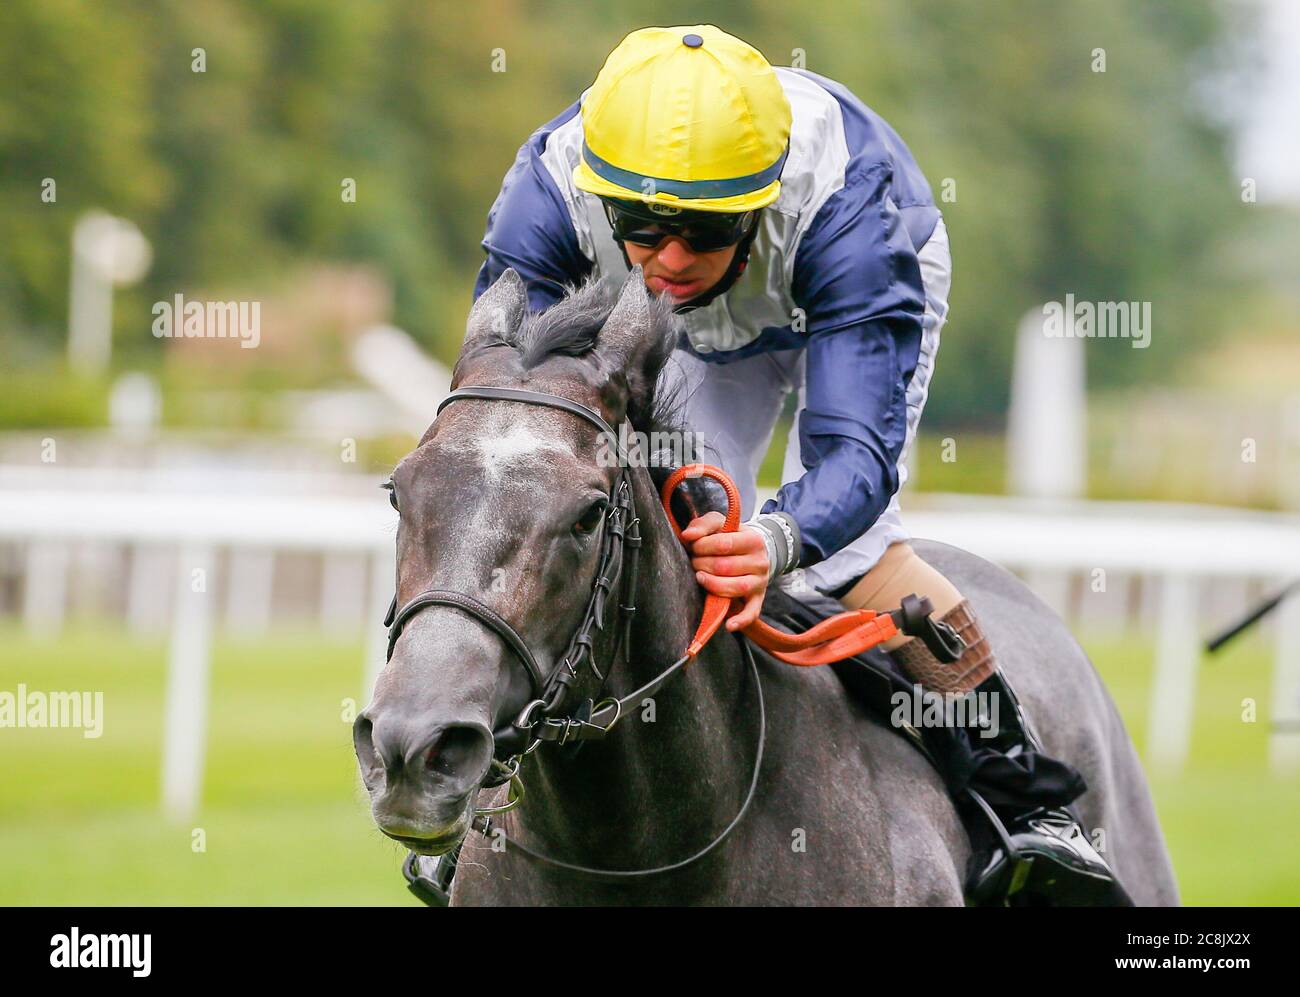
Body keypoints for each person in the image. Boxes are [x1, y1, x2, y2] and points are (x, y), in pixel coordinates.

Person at [472, 23, 1124, 905]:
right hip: (688, 327)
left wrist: (776, 541)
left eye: (700, 230)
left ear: (758, 203)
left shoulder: (858, 217)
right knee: (643, 520)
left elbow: (856, 461)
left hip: (834, 293)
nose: (666, 259)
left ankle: (1019, 795)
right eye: (639, 227)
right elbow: (508, 425)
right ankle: (483, 773)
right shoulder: (549, 191)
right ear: (601, 193)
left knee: (848, 554)